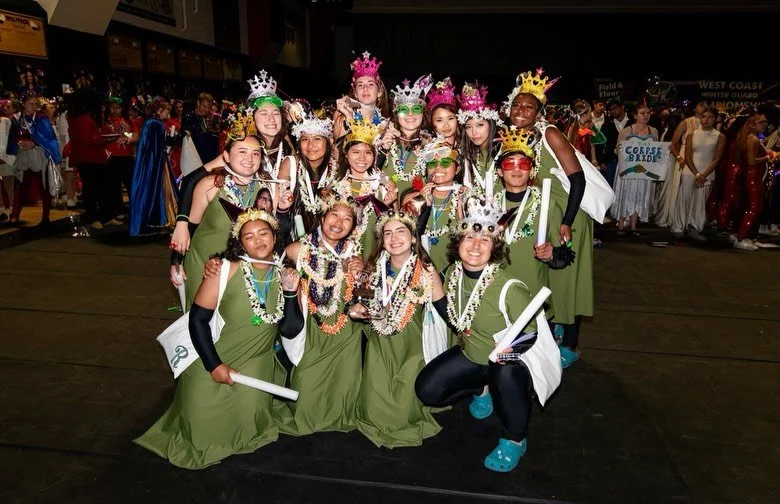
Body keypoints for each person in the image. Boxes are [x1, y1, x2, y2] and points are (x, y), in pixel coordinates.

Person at [135, 209, 299, 469]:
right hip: (211, 356)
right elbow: (197, 321)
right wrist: (214, 366)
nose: (258, 241)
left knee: (250, 427)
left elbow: (290, 328)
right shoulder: (225, 270)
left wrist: (290, 294)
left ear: (275, 236)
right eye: (249, 236)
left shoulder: (285, 272)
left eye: (264, 233)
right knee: (202, 434)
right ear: (239, 243)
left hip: (255, 361)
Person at [415, 197, 561, 473]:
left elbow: (531, 334)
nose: (476, 246)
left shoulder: (510, 287)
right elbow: (455, 317)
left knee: (504, 372)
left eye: (485, 240)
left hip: (511, 364)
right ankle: (482, 389)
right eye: (469, 237)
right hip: (472, 354)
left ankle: (514, 439)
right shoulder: (454, 275)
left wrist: (506, 352)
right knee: (428, 390)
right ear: (457, 244)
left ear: (495, 248)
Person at [504, 69, 591, 368]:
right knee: (544, 276)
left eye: (529, 106)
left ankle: (570, 342)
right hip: (534, 213)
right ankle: (548, 329)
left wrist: (566, 222)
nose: (521, 111)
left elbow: (578, 180)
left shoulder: (550, 134)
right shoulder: (509, 137)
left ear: (539, 111)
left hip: (564, 213)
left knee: (567, 280)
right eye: (517, 104)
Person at [351, 210, 445, 448]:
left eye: (401, 231)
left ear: (414, 237)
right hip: (380, 343)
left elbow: (444, 309)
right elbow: (363, 300)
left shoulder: (426, 271)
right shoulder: (374, 268)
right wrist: (356, 310)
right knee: (373, 409)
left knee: (404, 411)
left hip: (412, 345)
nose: (394, 238)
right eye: (388, 234)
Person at [280, 195, 365, 435]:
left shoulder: (353, 254)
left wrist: (358, 274)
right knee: (306, 386)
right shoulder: (298, 250)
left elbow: (363, 292)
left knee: (345, 383)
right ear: (322, 217)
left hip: (345, 330)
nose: (339, 222)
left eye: (347, 219)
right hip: (312, 329)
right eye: (334, 215)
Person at [7, 92, 62, 227]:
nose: (33, 107)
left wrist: (35, 143)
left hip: (40, 156)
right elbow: (14, 137)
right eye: (30, 104)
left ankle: (45, 217)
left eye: (35, 104)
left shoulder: (41, 118)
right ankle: (14, 216)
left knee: (44, 186)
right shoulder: (18, 119)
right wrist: (20, 143)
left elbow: (49, 137)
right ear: (24, 104)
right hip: (24, 156)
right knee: (22, 186)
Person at [673, 107, 725, 240]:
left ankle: (695, 228)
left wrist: (704, 175)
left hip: (707, 174)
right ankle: (679, 227)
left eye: (710, 117)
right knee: (684, 199)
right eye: (704, 116)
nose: (706, 120)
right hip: (689, 171)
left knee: (700, 202)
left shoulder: (720, 136)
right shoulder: (692, 134)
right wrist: (697, 174)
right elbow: (688, 156)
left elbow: (717, 159)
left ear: (715, 119)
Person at [128, 98, 177, 236]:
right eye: (167, 109)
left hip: (153, 164)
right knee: (156, 190)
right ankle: (154, 221)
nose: (169, 112)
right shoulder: (155, 124)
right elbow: (155, 150)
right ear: (159, 110)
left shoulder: (152, 123)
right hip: (154, 165)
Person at [610, 103, 659, 236]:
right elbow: (616, 150)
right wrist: (620, 150)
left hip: (643, 171)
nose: (646, 115)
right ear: (635, 115)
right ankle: (621, 225)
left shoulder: (653, 131)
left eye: (648, 113)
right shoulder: (627, 130)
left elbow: (656, 152)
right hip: (628, 169)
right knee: (624, 195)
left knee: (639, 196)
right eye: (642, 113)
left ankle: (633, 226)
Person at [383, 74, 432, 199]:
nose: (410, 114)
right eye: (404, 109)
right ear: (396, 115)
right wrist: (382, 150)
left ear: (423, 113)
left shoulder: (431, 145)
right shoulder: (384, 139)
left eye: (416, 109)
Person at [457, 82, 502, 195]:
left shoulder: (504, 150)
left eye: (479, 125)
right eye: (468, 127)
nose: (473, 132)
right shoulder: (469, 154)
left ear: (490, 124)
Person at [333, 51, 391, 140]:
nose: (365, 89)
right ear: (355, 93)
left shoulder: (387, 125)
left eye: (371, 84)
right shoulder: (342, 118)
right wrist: (350, 120)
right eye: (360, 85)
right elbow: (339, 152)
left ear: (379, 92)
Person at [426, 78, 460, 148]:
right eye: (439, 120)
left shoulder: (469, 147)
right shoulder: (427, 149)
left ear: (457, 118)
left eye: (450, 118)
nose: (446, 126)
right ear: (431, 122)